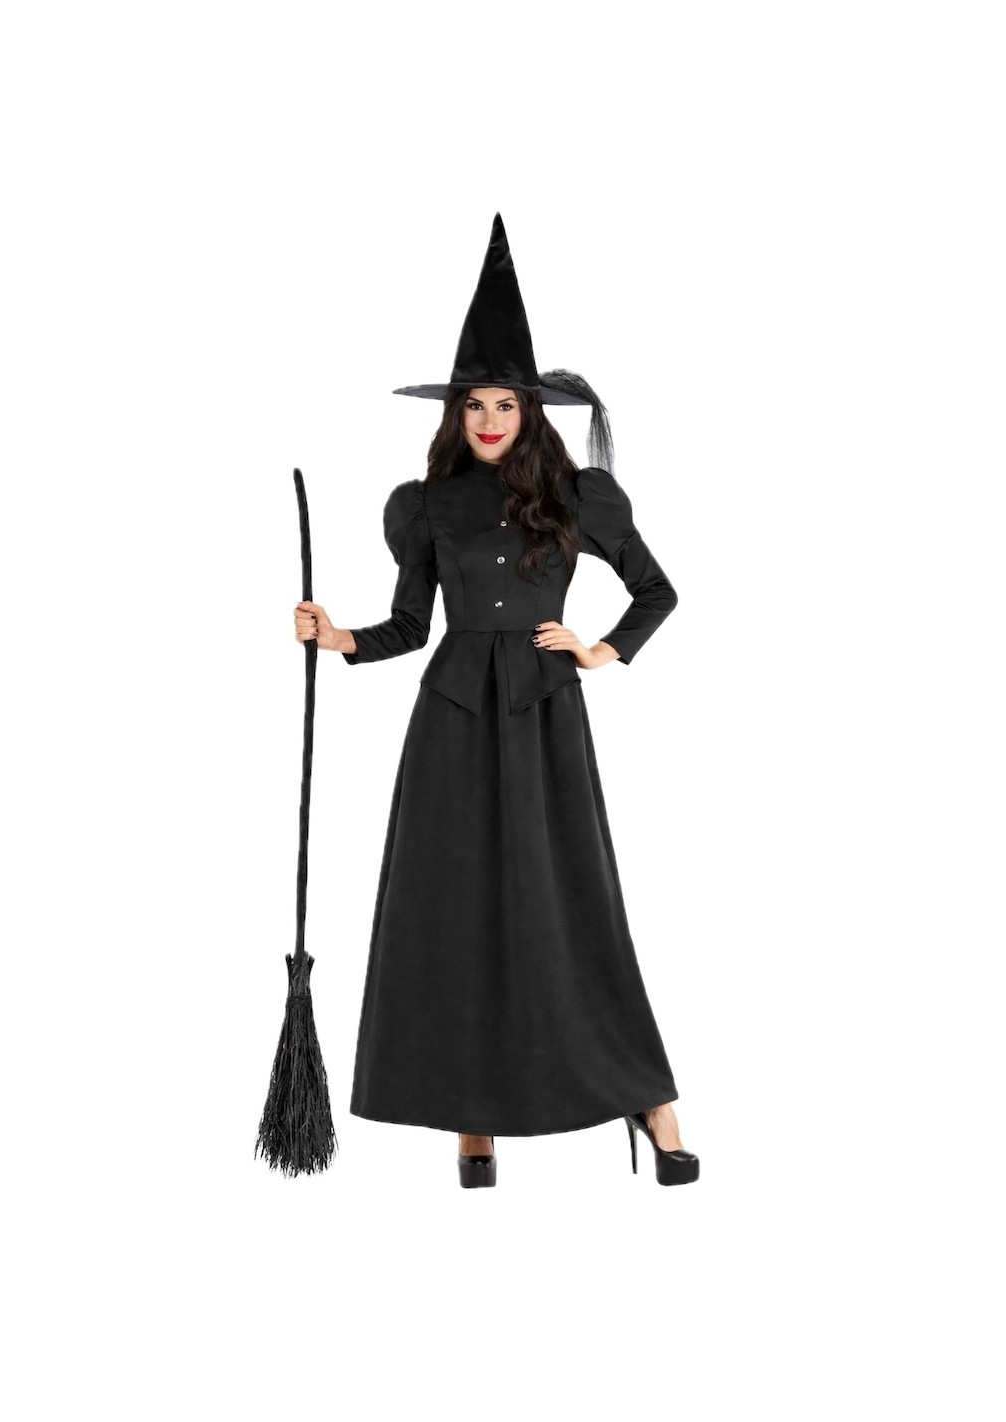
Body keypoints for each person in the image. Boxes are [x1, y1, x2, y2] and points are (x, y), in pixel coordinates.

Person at [295, 215, 699, 1189]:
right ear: (456, 414)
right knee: (449, 908)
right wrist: (338, 637)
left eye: (503, 404)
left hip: (543, 714)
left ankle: (652, 1102)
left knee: (574, 905)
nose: (487, 419)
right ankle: (471, 1118)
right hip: (449, 721)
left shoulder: (578, 495)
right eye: (472, 404)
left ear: (528, 410)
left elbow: (656, 592)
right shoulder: (428, 503)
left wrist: (598, 650)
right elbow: (409, 626)